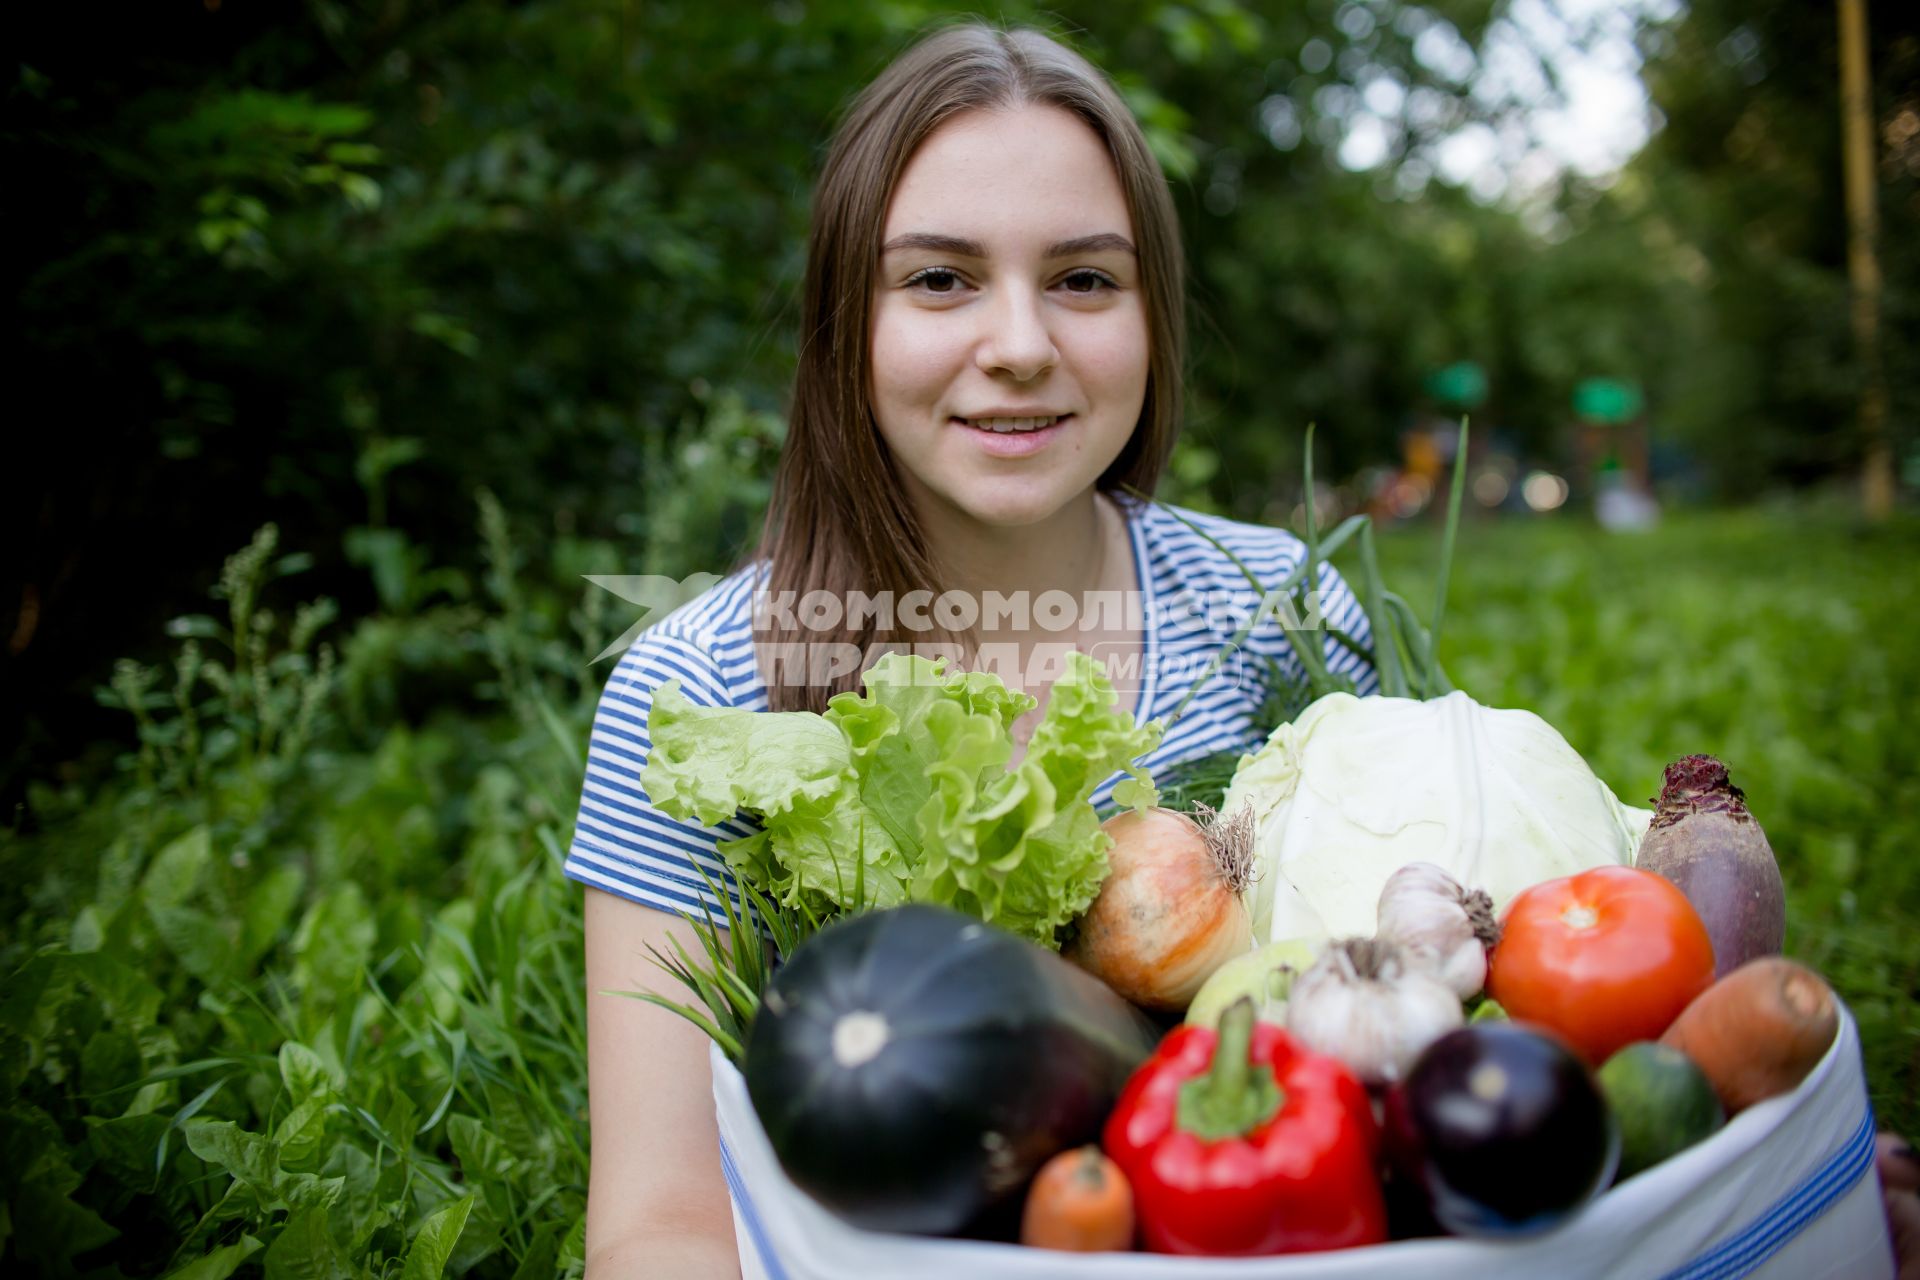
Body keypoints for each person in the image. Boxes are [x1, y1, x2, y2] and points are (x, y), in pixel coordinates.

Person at [565, 22, 1373, 1277]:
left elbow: (1402, 1059)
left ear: (1153, 313)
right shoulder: (699, 692)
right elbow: (658, 1221)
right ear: (848, 321)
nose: (1020, 344)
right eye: (940, 279)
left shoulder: (1289, 616)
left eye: (1084, 279)